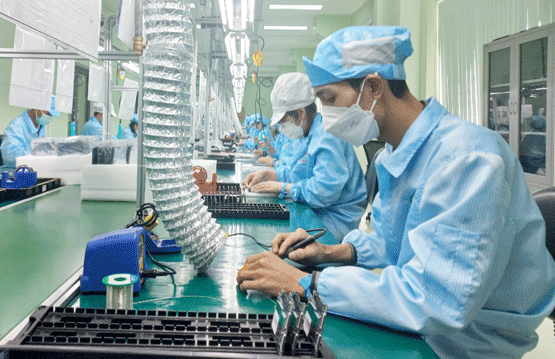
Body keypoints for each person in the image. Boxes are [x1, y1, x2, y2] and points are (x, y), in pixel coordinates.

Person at [237, 26, 555, 359]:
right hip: (424, 332)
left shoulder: (465, 160)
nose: (327, 117)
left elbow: (431, 300)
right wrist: (331, 253)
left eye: (330, 99)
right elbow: (395, 243)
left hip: (464, 345)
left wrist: (306, 284)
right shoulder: (395, 155)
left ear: (373, 87)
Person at [241, 72, 367, 243]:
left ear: (300, 113)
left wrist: (283, 187)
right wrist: (273, 175)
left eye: (284, 121)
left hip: (336, 220)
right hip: (320, 211)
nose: (281, 127)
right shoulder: (307, 136)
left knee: (281, 245)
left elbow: (322, 192)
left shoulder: (327, 137)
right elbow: (300, 172)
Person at [0, 95, 60, 170]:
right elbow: (10, 155)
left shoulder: (41, 126)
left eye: (51, 115)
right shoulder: (16, 126)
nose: (49, 117)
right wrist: (37, 151)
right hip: (15, 174)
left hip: (34, 171)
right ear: (37, 108)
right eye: (48, 114)